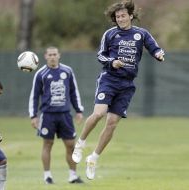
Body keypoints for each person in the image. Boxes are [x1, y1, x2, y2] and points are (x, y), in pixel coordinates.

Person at [72, 0, 165, 180]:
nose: (120, 19)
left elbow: (155, 48)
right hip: (109, 79)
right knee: (99, 113)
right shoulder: (110, 34)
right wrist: (112, 62)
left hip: (127, 84)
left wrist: (159, 54)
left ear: (131, 16)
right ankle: (81, 143)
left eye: (123, 15)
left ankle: (93, 158)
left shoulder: (141, 34)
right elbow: (100, 54)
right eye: (117, 16)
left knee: (112, 123)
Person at [29, 46, 84, 184]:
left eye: (55, 54)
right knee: (47, 144)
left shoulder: (67, 71)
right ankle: (47, 176)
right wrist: (33, 115)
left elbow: (73, 92)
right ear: (45, 57)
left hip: (65, 115)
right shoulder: (40, 74)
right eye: (50, 55)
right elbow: (34, 96)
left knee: (71, 145)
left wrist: (79, 110)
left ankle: (73, 176)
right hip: (48, 115)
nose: (52, 57)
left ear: (59, 55)